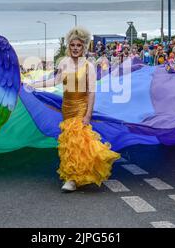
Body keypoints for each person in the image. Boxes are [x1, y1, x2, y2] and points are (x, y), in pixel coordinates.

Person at [29, 27, 120, 192]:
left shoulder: (88, 66)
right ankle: (76, 175)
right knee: (70, 142)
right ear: (69, 47)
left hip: (81, 108)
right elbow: (55, 81)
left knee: (77, 141)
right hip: (67, 108)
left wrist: (88, 114)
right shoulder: (63, 63)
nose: (75, 48)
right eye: (72, 45)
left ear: (83, 47)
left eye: (79, 45)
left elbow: (92, 92)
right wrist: (33, 85)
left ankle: (72, 178)